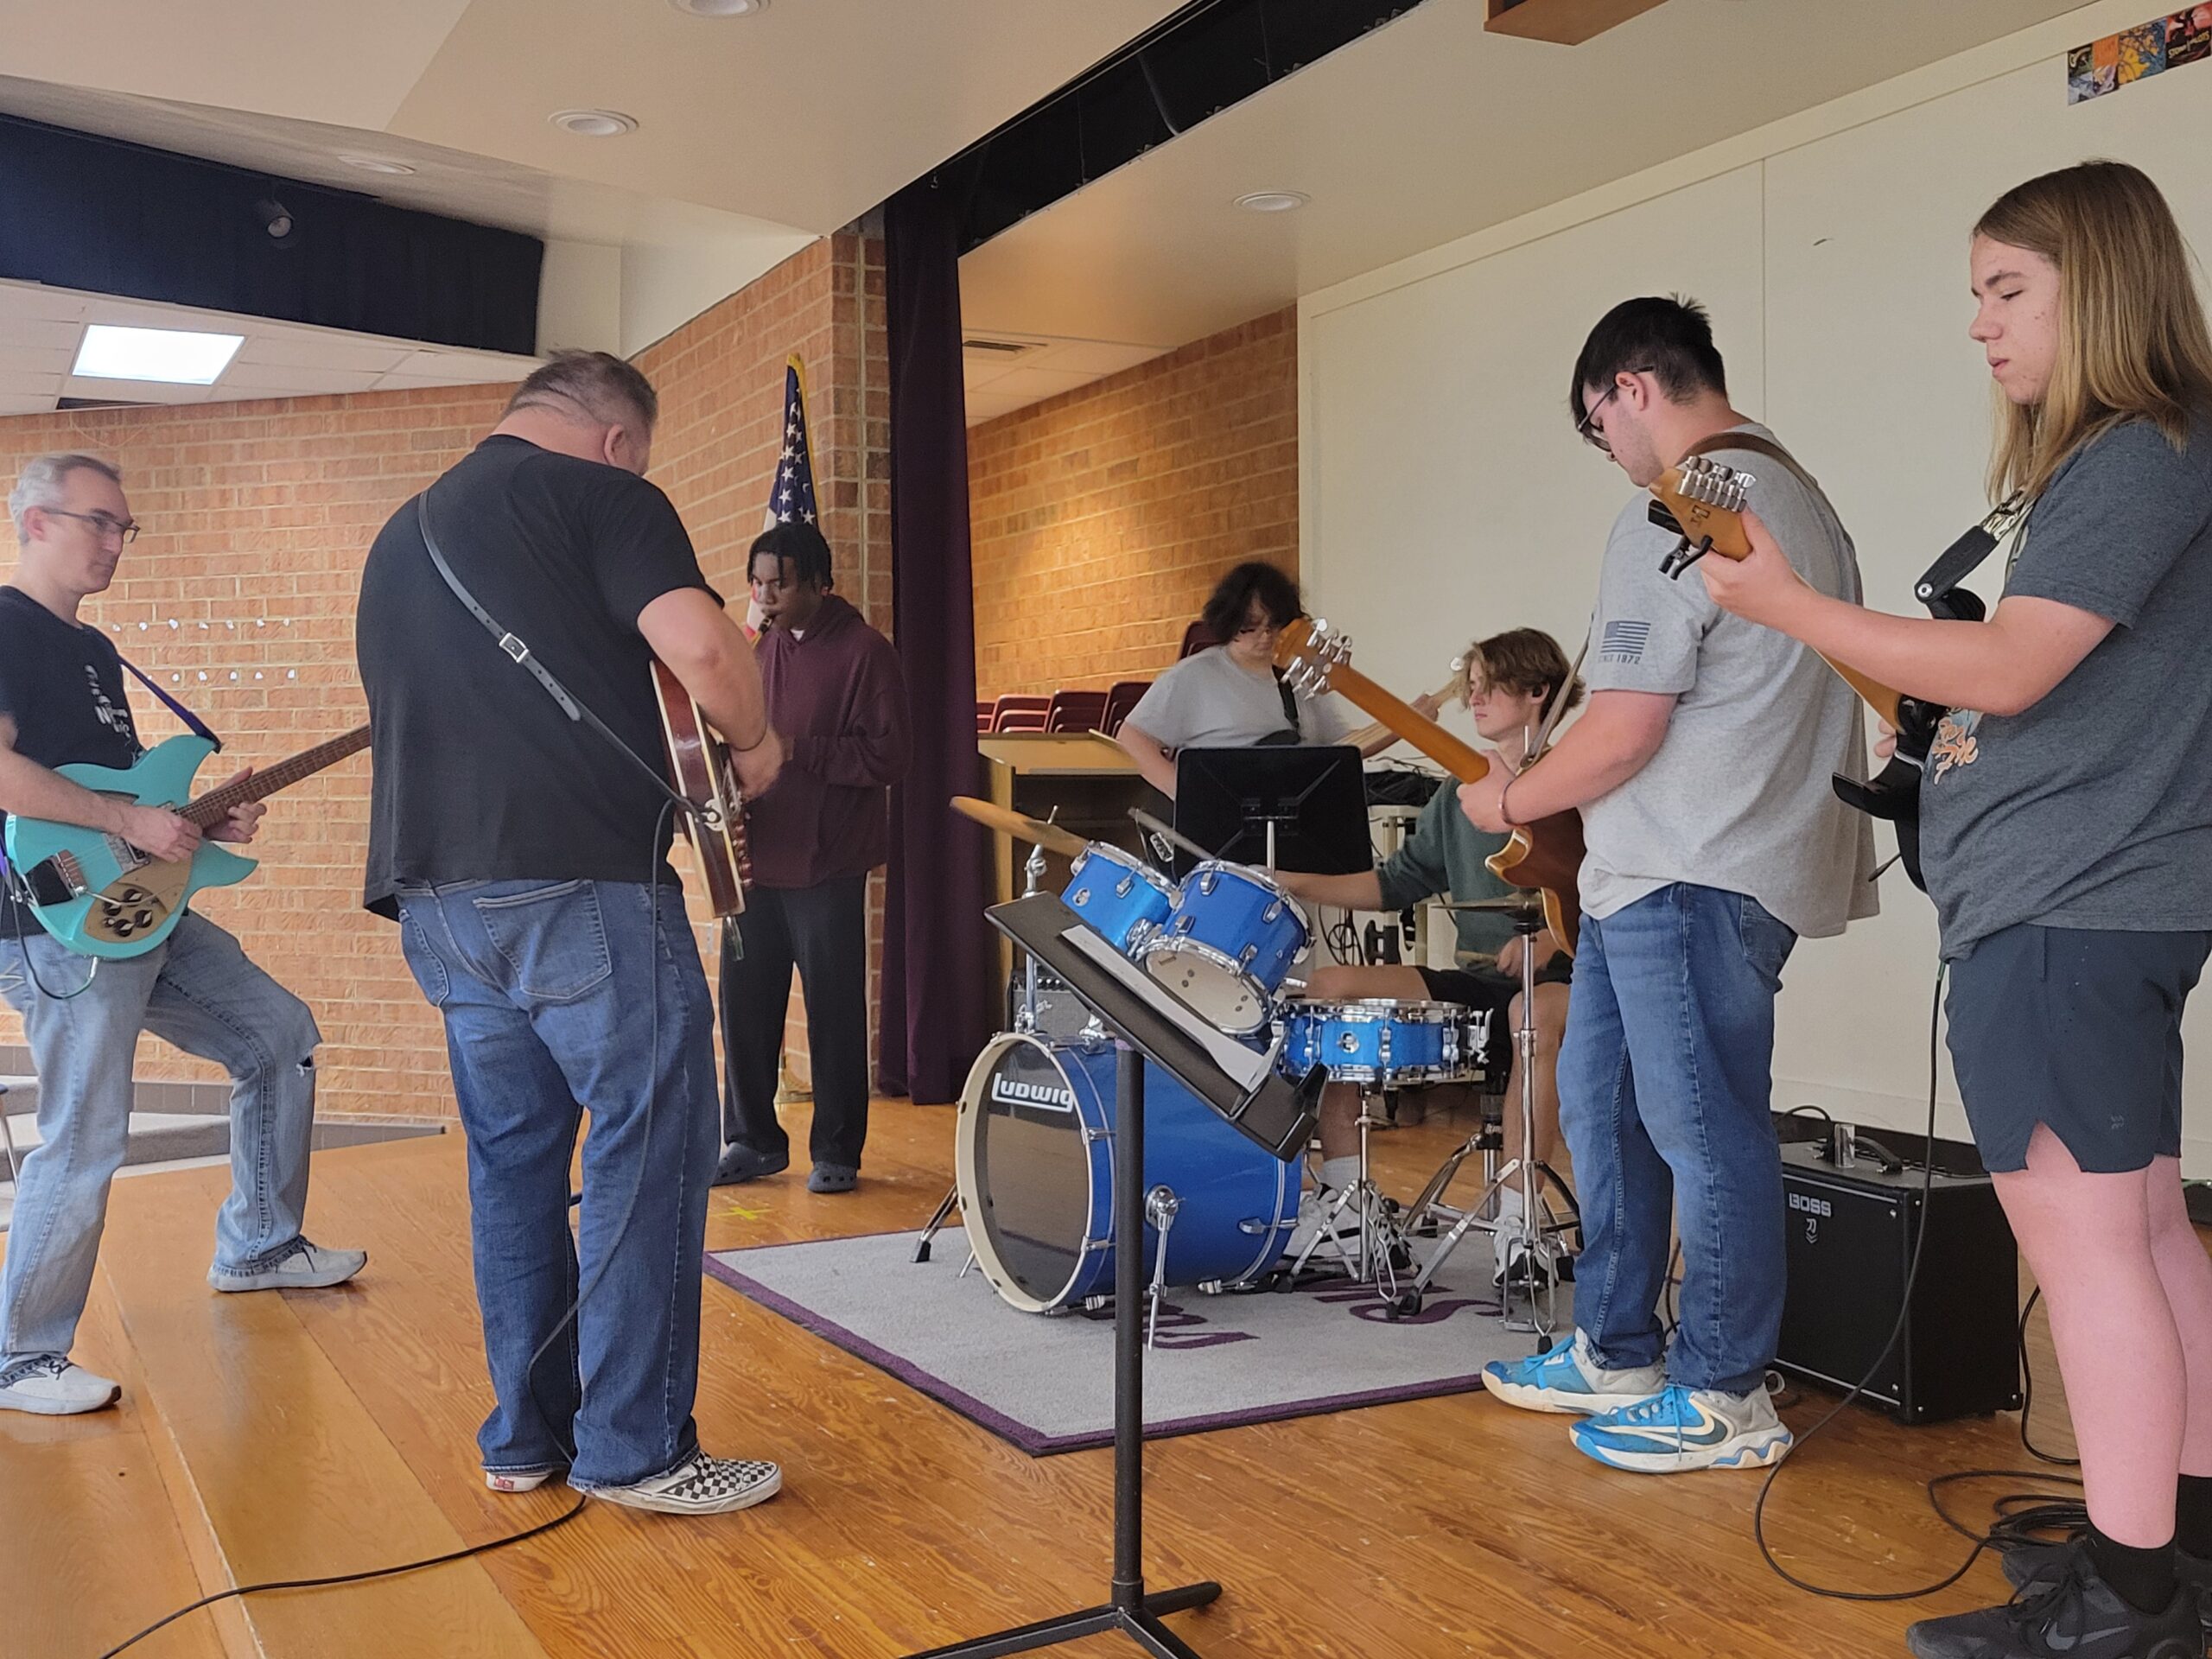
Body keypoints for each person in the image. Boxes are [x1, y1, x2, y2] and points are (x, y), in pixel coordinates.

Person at [1700, 160, 2212, 1659]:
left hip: (2070, 904)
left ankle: (2130, 1609)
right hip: (2097, 897)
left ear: (2097, 288)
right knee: (2148, 1236)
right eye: (1976, 296)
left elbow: (2014, 668)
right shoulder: (2138, 457)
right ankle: (2168, 1557)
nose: (1981, 327)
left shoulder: (2136, 451)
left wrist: (1790, 605)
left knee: (2091, 1253)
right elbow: (2032, 687)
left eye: (2009, 293)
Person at [356, 351, 786, 1516]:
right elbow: (704, 651)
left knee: (512, 1168)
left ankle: (526, 1438)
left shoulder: (400, 536)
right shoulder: (606, 497)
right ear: (617, 440)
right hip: (581, 891)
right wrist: (755, 750)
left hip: (438, 904)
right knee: (650, 1153)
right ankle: (635, 1449)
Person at [1462, 296, 1875, 1473]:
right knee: (1605, 1103)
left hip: (1693, 867)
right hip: (1691, 870)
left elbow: (1629, 727)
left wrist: (1507, 801)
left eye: (1600, 429)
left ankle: (1725, 1393)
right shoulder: (1795, 499)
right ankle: (1618, 1346)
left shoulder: (1678, 506)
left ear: (1630, 391)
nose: (1611, 456)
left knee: (1703, 1128)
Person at [0, 454, 362, 1418]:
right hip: (56, 924)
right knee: (85, 1136)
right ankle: (22, 1356)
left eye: (126, 528)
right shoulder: (6, 626)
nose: (116, 542)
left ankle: (260, 1243)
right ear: (34, 523)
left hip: (145, 911)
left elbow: (133, 802)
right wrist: (128, 823)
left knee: (278, 1036)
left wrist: (200, 826)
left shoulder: (97, 650)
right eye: (99, 522)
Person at [1277, 627, 1580, 1280]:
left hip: (1573, 979)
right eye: (1471, 686)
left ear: (1538, 692)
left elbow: (1616, 888)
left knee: (1530, 1010)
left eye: (1491, 685)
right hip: (1480, 979)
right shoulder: (1459, 795)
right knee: (1333, 988)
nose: (1475, 698)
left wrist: (1553, 935)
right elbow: (1396, 885)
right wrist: (1292, 881)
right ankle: (1345, 1197)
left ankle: (1519, 1226)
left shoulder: (1578, 778)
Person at [713, 520, 910, 1195]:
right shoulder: (758, 651)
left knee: (832, 1011)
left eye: (781, 583)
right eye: (758, 582)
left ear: (820, 584)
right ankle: (751, 1138)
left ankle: (837, 1150)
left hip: (827, 863)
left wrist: (803, 749)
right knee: (743, 1006)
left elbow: (890, 757)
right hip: (757, 859)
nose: (766, 596)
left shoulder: (865, 653)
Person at [1113, 561, 1391, 797]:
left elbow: (1342, 747)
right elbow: (1133, 738)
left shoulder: (1300, 677)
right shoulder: (1195, 676)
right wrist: (1186, 796)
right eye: (1250, 625)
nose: (1265, 636)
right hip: (1225, 820)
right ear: (1229, 621)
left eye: (1274, 625)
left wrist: (1403, 724)